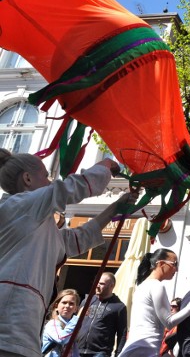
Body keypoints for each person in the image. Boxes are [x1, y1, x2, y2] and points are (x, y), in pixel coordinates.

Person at [0, 149, 131, 357]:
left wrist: (116, 207)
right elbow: (69, 188)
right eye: (45, 176)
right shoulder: (18, 205)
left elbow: (78, 238)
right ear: (27, 179)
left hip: (20, 333)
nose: (50, 182)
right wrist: (105, 165)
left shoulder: (36, 224)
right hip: (8, 329)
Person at [119, 248, 190, 356]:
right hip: (145, 348)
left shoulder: (143, 286)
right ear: (161, 264)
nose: (176, 269)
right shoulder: (156, 286)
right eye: (174, 264)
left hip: (137, 345)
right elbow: (169, 322)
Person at [76, 272, 128, 357]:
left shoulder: (119, 307)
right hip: (78, 350)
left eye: (101, 283)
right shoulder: (86, 301)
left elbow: (122, 334)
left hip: (100, 353)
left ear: (112, 286)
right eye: (96, 282)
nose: (97, 285)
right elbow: (76, 324)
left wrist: (118, 354)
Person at [42, 289, 82, 357]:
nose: (67, 306)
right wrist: (77, 318)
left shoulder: (73, 325)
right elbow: (62, 338)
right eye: (64, 302)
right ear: (56, 306)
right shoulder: (52, 324)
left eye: (71, 303)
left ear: (76, 309)